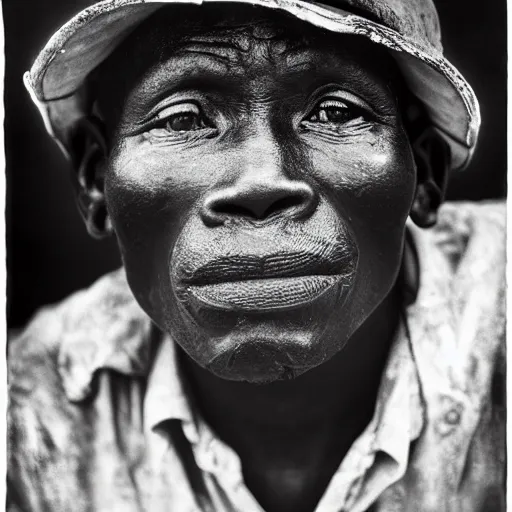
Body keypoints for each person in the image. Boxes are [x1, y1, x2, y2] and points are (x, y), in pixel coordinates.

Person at [8, 0, 505, 511]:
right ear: (95, 181)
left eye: (335, 112)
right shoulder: (24, 416)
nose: (262, 180)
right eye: (182, 119)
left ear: (424, 173)